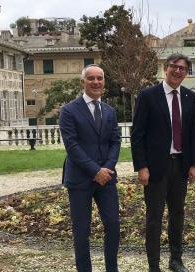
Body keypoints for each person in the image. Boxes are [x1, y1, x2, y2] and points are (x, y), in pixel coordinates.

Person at [130, 53, 195, 272]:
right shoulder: (148, 95)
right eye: (174, 67)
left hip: (180, 166)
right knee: (154, 218)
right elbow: (137, 134)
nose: (178, 71)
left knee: (177, 215)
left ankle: (176, 260)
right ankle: (154, 265)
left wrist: (194, 164)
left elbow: (192, 134)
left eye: (183, 69)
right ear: (165, 69)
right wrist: (142, 166)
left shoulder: (190, 97)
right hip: (155, 168)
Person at [59, 64, 121, 272]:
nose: (96, 82)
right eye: (91, 78)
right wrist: (95, 171)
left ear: (104, 82)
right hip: (80, 179)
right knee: (82, 230)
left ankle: (112, 269)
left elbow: (115, 142)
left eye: (100, 78)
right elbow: (72, 146)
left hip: (107, 177)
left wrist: (107, 169)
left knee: (113, 225)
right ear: (82, 82)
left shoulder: (110, 111)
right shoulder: (69, 111)